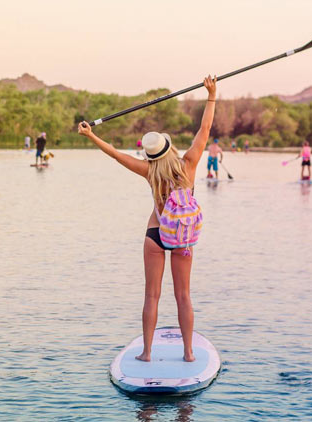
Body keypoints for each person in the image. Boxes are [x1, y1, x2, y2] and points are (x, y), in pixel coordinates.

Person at [77, 75, 217, 363]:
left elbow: (116, 155)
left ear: (151, 154)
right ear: (169, 147)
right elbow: (205, 128)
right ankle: (189, 353)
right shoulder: (189, 163)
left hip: (156, 235)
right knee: (183, 297)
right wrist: (211, 95)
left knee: (151, 297)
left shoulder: (148, 171)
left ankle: (147, 353)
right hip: (182, 238)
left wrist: (91, 135)